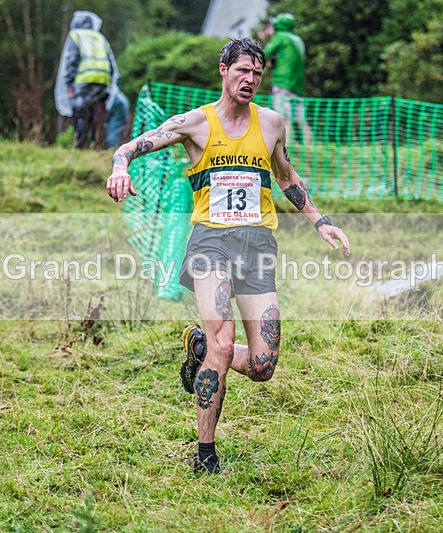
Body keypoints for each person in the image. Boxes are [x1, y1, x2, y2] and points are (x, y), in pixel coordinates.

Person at [106, 38, 350, 474]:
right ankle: (205, 454)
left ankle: (198, 348)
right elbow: (129, 147)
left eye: (257, 73)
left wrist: (320, 220)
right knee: (223, 341)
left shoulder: (272, 123)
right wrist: (120, 168)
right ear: (223, 70)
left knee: (262, 364)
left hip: (257, 247)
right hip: (210, 245)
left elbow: (286, 175)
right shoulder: (195, 124)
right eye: (242, 71)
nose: (250, 80)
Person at [61, 12, 116, 149]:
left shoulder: (76, 35)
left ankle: (80, 146)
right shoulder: (100, 38)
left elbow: (72, 60)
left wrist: (69, 83)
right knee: (98, 115)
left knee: (81, 114)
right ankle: (97, 145)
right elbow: (111, 64)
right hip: (103, 81)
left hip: (83, 81)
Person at [263, 13, 312, 143]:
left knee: (284, 119)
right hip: (298, 86)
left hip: (282, 83)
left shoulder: (280, 36)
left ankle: (286, 150)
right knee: (301, 121)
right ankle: (310, 149)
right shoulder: (298, 40)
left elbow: (263, 55)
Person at [105, 79, 130, 149]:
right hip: (120, 99)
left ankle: (114, 150)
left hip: (115, 100)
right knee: (120, 129)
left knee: (114, 129)